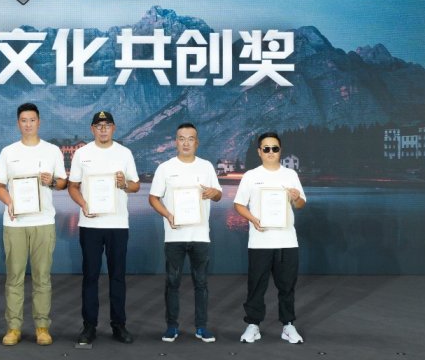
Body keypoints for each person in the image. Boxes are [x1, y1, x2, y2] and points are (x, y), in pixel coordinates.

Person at [0, 103, 67, 346]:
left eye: (32, 120)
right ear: (18, 123)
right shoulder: (8, 152)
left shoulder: (52, 151)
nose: (28, 124)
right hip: (14, 223)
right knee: (14, 277)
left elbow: (63, 183)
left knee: (42, 277)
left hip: (43, 221)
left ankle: (42, 327)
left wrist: (52, 181)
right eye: (23, 120)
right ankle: (13, 327)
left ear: (39, 122)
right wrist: (9, 203)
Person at [67, 111, 140, 346]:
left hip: (117, 224)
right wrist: (83, 204)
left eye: (107, 125)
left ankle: (119, 325)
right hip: (90, 224)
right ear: (92, 129)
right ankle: (89, 326)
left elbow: (136, 186)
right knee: (90, 276)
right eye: (98, 126)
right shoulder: (82, 153)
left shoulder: (124, 153)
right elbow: (73, 186)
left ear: (114, 128)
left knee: (117, 276)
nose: (103, 129)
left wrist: (124, 184)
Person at [148, 123, 223, 343]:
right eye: (182, 138)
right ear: (176, 142)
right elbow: (153, 198)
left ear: (196, 142)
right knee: (172, 283)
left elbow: (218, 195)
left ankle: (201, 327)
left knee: (201, 283)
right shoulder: (165, 168)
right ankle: (172, 327)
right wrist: (168, 215)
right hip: (175, 236)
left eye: (190, 138)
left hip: (200, 235)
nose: (186, 142)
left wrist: (214, 192)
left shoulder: (206, 167)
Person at [233, 132, 307, 344]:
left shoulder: (290, 175)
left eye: (275, 148)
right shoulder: (250, 176)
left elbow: (301, 204)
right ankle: (253, 325)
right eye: (266, 148)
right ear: (259, 152)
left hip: (287, 241)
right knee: (256, 286)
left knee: (287, 286)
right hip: (260, 241)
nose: (271, 152)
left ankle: (288, 326)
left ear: (280, 150)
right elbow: (238, 204)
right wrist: (253, 219)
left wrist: (296, 198)